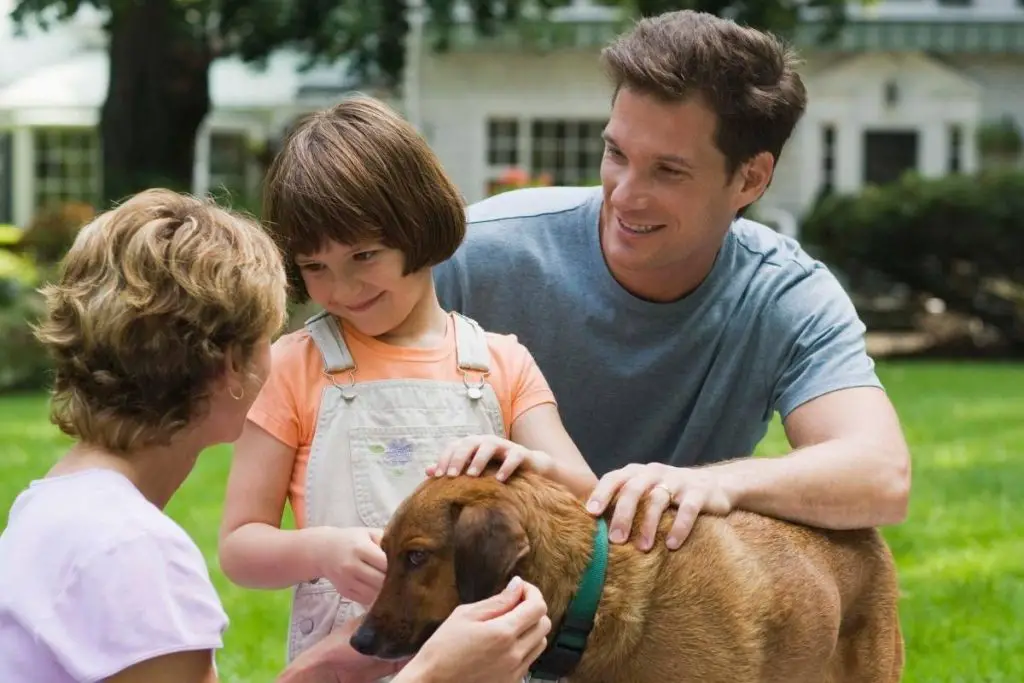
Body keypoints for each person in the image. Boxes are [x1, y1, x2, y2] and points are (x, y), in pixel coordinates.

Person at [0, 189, 551, 683]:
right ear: (228, 370)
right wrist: (433, 675)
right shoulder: (134, 555)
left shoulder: (49, 510)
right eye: (271, 334)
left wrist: (316, 669)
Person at [433, 10, 912, 553]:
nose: (626, 194)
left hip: (661, 603)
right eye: (616, 154)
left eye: (669, 171)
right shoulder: (477, 253)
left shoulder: (784, 294)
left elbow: (880, 475)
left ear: (750, 179)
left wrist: (713, 483)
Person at [217, 95, 596, 666]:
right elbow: (239, 547)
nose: (341, 289)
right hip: (343, 661)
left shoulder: (501, 364)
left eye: (364, 256)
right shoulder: (293, 366)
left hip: (480, 666)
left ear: (420, 225)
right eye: (314, 267)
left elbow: (590, 503)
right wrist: (320, 551)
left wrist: (532, 463)